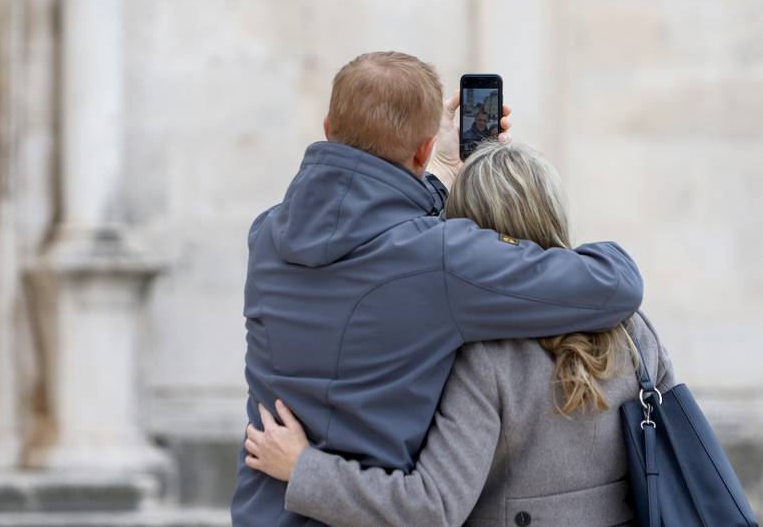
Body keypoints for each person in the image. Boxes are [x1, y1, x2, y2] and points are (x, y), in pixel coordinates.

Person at [230, 51, 644, 527]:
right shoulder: (445, 260)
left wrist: (440, 169)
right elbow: (615, 286)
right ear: (423, 150)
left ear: (327, 127)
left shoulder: (266, 236)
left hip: (264, 511)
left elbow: (377, 238)